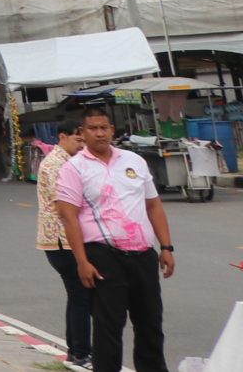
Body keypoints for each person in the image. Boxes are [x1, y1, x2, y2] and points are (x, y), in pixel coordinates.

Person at [54, 103, 175, 372]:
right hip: (104, 256)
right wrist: (82, 262)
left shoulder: (134, 162)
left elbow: (153, 205)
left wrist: (166, 247)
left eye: (104, 128)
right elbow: (69, 217)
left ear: (112, 130)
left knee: (150, 324)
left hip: (143, 254)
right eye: (93, 128)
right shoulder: (73, 169)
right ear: (82, 133)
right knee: (109, 327)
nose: (100, 133)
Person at [35, 115, 94, 367]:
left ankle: (78, 350)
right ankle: (80, 351)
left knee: (78, 295)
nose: (82, 145)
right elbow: (69, 205)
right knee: (81, 295)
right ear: (62, 137)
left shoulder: (68, 160)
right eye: (78, 140)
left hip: (62, 240)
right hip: (62, 240)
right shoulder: (58, 165)